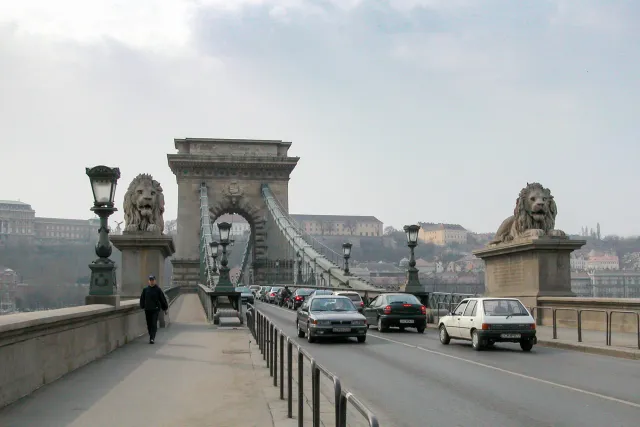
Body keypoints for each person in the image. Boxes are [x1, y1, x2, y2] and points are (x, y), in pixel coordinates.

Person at [139, 275, 168, 344]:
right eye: (150, 280)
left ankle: (152, 338)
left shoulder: (158, 289)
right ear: (149, 281)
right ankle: (151, 335)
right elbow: (142, 299)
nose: (151, 281)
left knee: (154, 323)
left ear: (155, 281)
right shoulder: (145, 290)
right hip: (147, 309)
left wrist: (165, 308)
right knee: (149, 324)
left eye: (153, 280)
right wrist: (142, 306)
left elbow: (162, 299)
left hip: (155, 309)